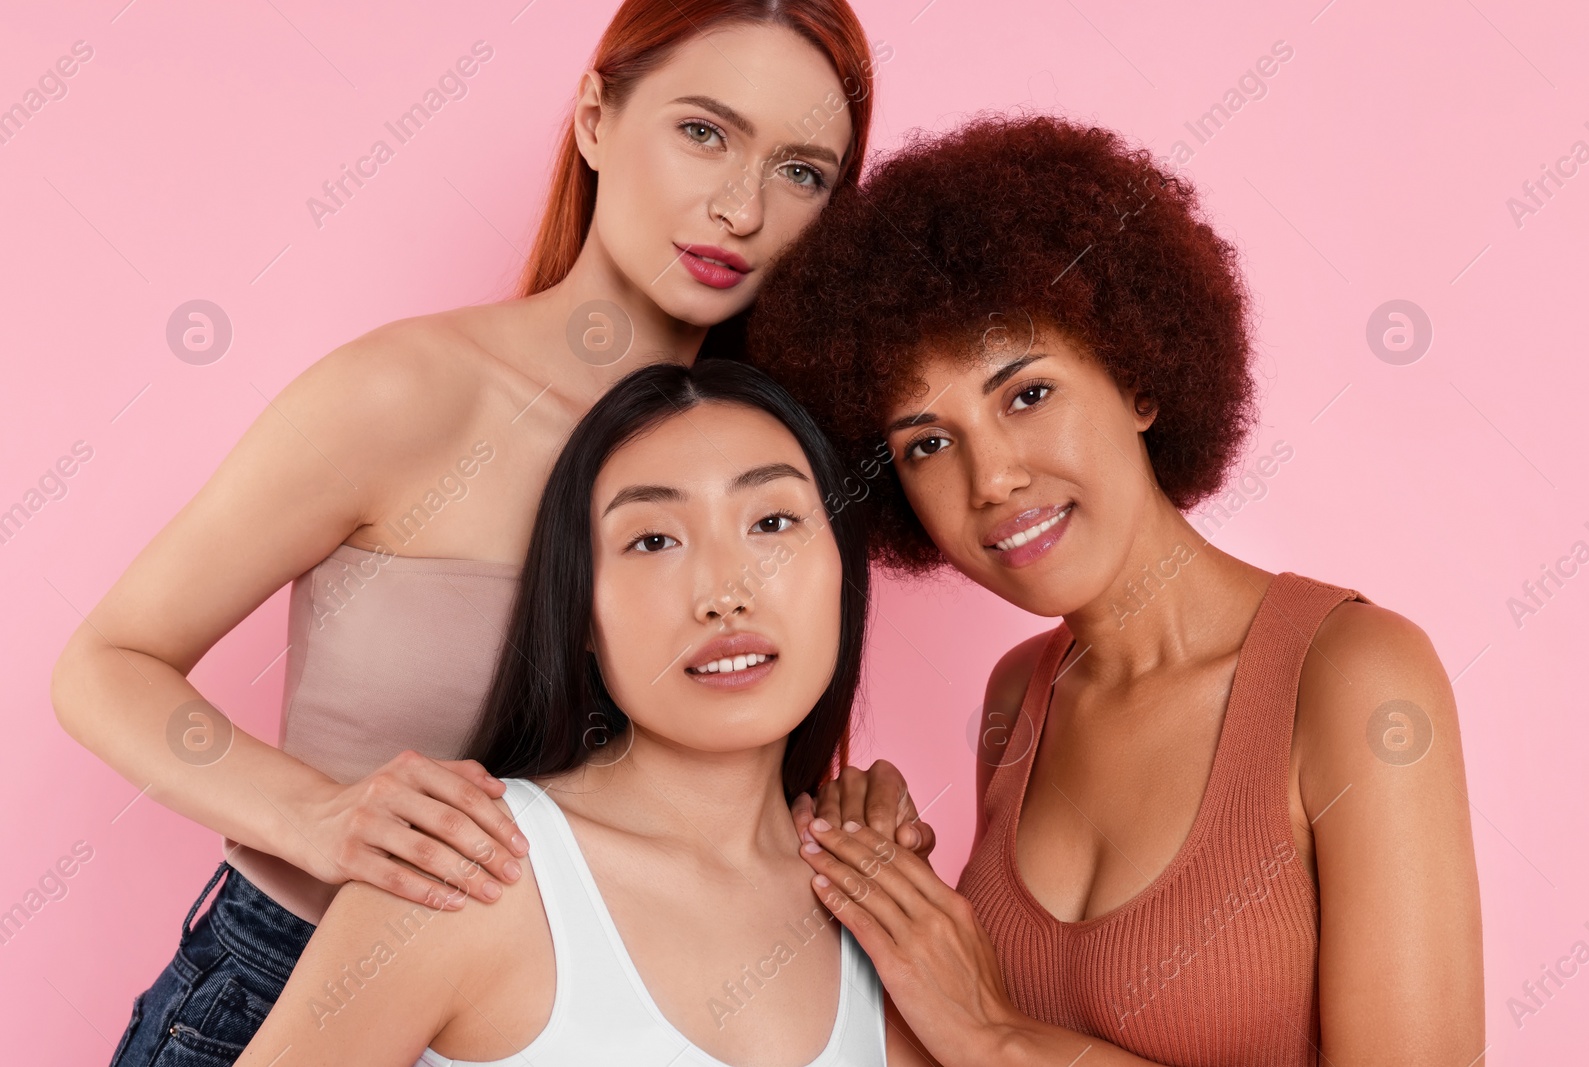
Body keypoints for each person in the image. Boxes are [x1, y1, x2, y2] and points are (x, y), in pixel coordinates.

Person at [50, 2, 881, 1063]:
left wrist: (845, 814)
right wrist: (315, 815)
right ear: (594, 119)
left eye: (802, 171)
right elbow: (103, 663)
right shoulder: (411, 393)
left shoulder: (769, 454)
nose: (739, 207)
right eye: (704, 131)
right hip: (285, 984)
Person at [751, 114, 1486, 1066]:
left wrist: (997, 1035)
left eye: (1027, 394)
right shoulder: (1021, 698)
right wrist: (885, 903)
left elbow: (999, 1042)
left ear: (1139, 380)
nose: (993, 478)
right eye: (927, 443)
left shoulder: (1355, 678)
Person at [234, 359, 928, 1065]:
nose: (727, 591)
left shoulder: (884, 911)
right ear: (582, 617)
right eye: (653, 539)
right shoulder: (473, 869)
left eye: (773, 521)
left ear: (844, 570)